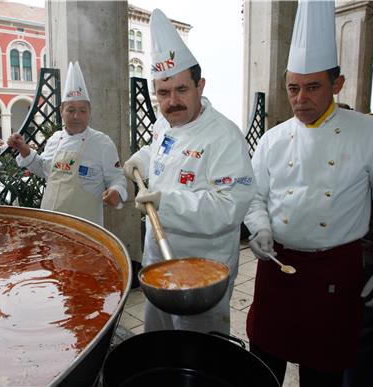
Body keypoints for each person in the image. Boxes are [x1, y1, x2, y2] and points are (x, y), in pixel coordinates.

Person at [243, 1, 373, 386]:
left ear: (336, 85)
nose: (300, 98)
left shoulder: (370, 133)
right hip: (276, 268)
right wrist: (259, 229)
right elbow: (254, 196)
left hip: (334, 270)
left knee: (323, 375)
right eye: (293, 88)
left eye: (312, 87)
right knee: (263, 364)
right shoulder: (272, 140)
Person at [122, 9, 255, 335]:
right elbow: (161, 150)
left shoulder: (224, 136)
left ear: (200, 85)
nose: (172, 102)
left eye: (182, 90)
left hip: (203, 270)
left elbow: (230, 207)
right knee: (159, 339)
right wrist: (141, 157)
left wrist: (166, 203)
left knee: (197, 348)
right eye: (163, 93)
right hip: (159, 258)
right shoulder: (163, 123)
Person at [7, 61, 128, 227]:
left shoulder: (102, 143)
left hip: (86, 228)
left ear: (90, 112)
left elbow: (117, 178)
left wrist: (116, 192)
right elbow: (44, 169)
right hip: (51, 224)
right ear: (61, 111)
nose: (76, 116)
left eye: (82, 110)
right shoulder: (55, 139)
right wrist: (24, 149)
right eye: (71, 110)